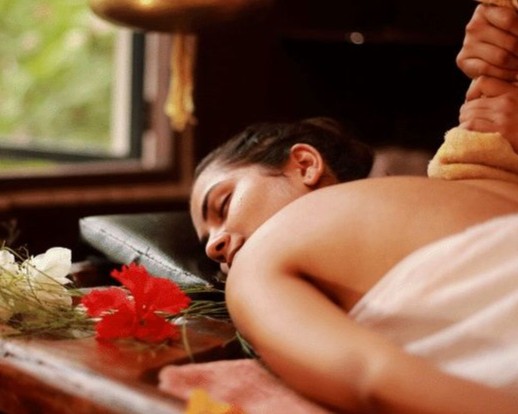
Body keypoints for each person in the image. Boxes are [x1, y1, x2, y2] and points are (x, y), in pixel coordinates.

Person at [189, 5, 518, 414]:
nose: (214, 246)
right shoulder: (488, 178)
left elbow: (372, 379)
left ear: (304, 164)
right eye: (208, 241)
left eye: (223, 204)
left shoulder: (264, 254)